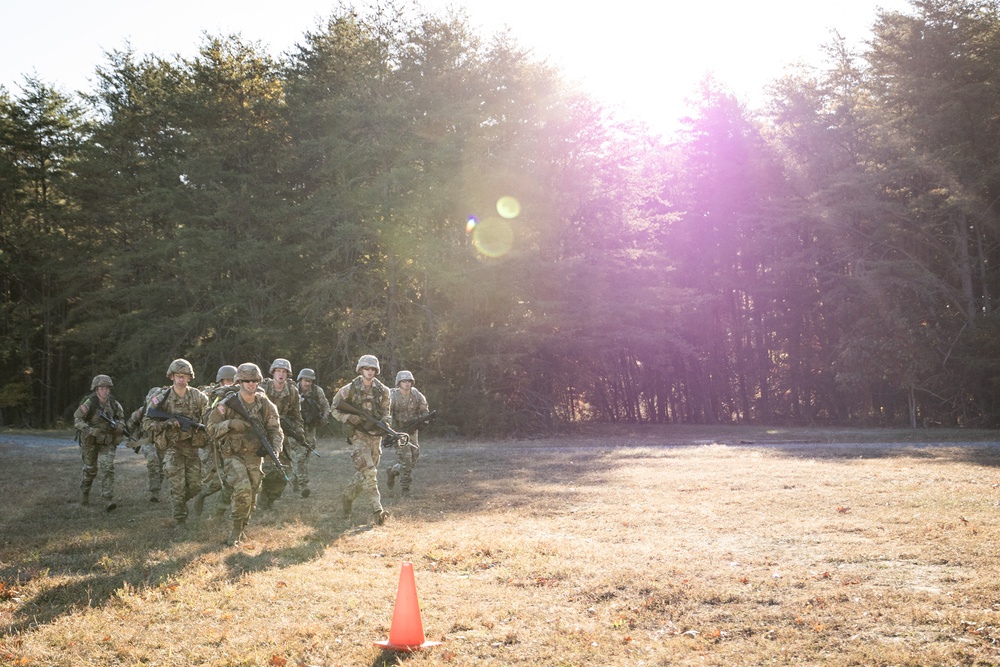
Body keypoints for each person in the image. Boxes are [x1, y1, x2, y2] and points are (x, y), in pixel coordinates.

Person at [206, 362, 283, 546]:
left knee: (253, 491)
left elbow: (276, 430)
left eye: (254, 381)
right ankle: (235, 530)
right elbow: (210, 429)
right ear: (239, 382)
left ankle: (242, 527)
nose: (251, 384)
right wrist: (230, 424)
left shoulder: (265, 404)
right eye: (247, 381)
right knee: (243, 488)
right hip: (232, 454)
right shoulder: (227, 405)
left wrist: (275, 450)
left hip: (254, 454)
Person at [141, 359, 209, 526]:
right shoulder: (161, 398)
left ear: (189, 378)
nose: (181, 379)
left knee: (195, 486)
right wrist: (166, 423)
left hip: (192, 447)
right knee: (177, 486)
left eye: (184, 376)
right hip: (172, 447)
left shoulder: (199, 397)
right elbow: (147, 423)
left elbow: (209, 418)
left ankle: (182, 502)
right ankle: (180, 521)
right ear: (171, 377)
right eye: (178, 376)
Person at [331, 354, 391, 526]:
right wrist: (350, 417)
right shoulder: (348, 389)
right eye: (366, 368)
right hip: (358, 436)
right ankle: (378, 510)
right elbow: (334, 408)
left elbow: (387, 412)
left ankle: (347, 496)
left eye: (372, 369)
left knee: (366, 474)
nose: (369, 371)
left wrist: (385, 423)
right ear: (360, 369)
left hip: (375, 437)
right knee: (370, 472)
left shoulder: (383, 391)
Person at [73, 374, 126, 510]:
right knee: (90, 470)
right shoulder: (90, 403)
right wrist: (90, 430)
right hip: (90, 442)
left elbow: (121, 419)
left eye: (107, 388)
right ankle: (85, 492)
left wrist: (120, 425)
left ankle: (107, 499)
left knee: (107, 468)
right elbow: (77, 420)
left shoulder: (114, 404)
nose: (105, 391)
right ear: (96, 389)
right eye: (101, 388)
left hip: (106, 441)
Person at [192, 365, 238, 517]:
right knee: (219, 480)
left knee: (233, 477)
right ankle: (202, 495)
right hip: (216, 443)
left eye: (233, 380)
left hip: (236, 443)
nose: (230, 383)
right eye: (227, 380)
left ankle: (220, 511)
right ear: (220, 381)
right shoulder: (214, 395)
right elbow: (207, 418)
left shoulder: (242, 394)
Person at [258, 358, 305, 508]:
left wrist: (299, 432)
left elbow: (297, 415)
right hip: (261, 433)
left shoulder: (292, 391)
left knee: (285, 471)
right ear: (273, 372)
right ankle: (260, 497)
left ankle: (271, 499)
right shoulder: (262, 388)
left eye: (284, 372)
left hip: (281, 434)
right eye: (278, 371)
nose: (281, 374)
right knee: (264, 469)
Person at [387, 370, 430, 498]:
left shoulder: (416, 394)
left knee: (414, 456)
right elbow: (387, 413)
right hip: (398, 432)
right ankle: (405, 490)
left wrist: (423, 422)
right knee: (406, 459)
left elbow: (424, 410)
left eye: (409, 381)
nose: (407, 383)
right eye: (404, 381)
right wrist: (390, 430)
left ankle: (392, 471)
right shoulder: (392, 396)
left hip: (412, 431)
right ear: (398, 383)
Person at [124, 386, 165, 503]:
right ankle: (155, 492)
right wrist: (130, 439)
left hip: (161, 442)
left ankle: (157, 488)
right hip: (147, 442)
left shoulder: (165, 411)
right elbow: (129, 426)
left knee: (162, 467)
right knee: (153, 460)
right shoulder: (142, 411)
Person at [296, 367, 330, 498]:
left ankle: (297, 476)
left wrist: (324, 417)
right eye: (305, 380)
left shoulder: (317, 391)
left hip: (310, 426)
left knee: (309, 450)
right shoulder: (293, 389)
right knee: (299, 454)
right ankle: (303, 484)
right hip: (295, 425)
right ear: (300, 379)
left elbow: (325, 406)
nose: (307, 383)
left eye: (310, 381)